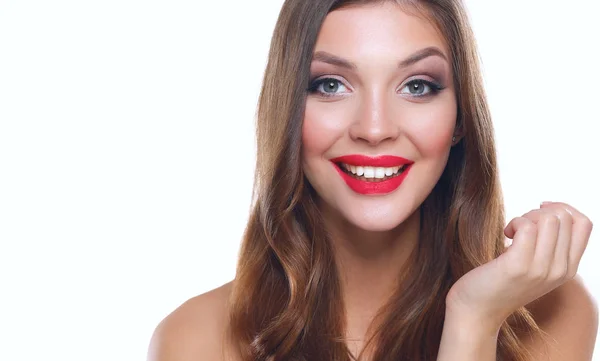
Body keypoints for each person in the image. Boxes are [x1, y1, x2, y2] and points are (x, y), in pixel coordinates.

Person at [147, 0, 597, 360]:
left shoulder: (547, 311)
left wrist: (474, 318)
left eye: (417, 86)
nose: (375, 127)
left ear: (460, 118)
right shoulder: (195, 340)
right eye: (330, 85)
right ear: (288, 110)